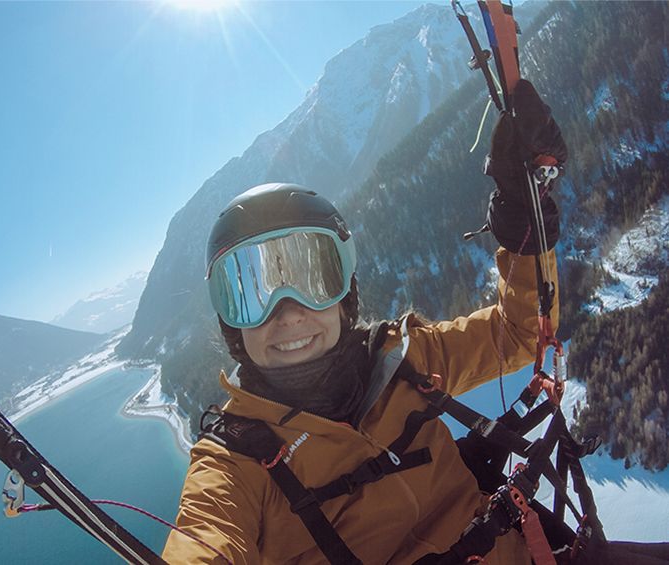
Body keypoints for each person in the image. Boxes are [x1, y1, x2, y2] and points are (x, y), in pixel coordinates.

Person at [163, 79, 566, 564]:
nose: (288, 312)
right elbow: (203, 539)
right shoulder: (234, 462)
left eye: (311, 277)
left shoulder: (405, 361)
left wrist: (525, 229)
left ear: (344, 294)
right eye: (252, 294)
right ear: (233, 323)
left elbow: (517, 333)